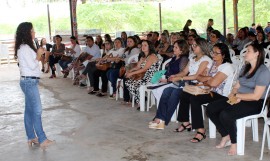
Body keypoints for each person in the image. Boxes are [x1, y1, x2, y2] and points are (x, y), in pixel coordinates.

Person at [206, 43, 270, 155]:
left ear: (257, 54)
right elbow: (237, 85)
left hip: (255, 103)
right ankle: (226, 135)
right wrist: (232, 94)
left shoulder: (263, 71)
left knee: (226, 114)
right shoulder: (246, 67)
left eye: (248, 51)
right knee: (211, 108)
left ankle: (234, 144)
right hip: (239, 97)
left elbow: (256, 96)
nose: (245, 53)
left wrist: (238, 96)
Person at [176, 43, 234, 143]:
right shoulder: (213, 64)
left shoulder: (227, 67)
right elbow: (198, 76)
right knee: (184, 94)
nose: (213, 55)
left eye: (216, 53)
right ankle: (185, 122)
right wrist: (209, 80)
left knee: (195, 99)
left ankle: (201, 130)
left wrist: (208, 80)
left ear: (223, 55)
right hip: (209, 91)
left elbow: (214, 83)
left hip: (222, 96)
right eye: (213, 52)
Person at [149, 38, 212, 129]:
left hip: (199, 85)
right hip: (189, 83)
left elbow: (196, 76)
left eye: (195, 45)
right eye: (192, 45)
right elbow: (184, 71)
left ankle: (162, 121)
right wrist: (175, 76)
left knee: (175, 93)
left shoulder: (205, 59)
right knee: (166, 90)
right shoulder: (193, 58)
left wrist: (180, 78)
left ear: (202, 47)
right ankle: (159, 118)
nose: (192, 47)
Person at [14, 22, 54, 148]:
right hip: (29, 81)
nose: (34, 32)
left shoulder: (25, 47)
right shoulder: (25, 47)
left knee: (29, 111)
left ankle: (31, 137)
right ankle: (42, 139)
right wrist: (38, 55)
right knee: (37, 110)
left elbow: (34, 64)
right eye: (32, 30)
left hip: (29, 81)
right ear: (27, 32)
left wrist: (40, 55)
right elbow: (32, 65)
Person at [125, 40, 163, 109]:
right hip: (143, 75)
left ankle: (140, 102)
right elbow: (138, 67)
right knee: (128, 82)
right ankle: (141, 100)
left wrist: (131, 73)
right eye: (142, 45)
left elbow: (144, 69)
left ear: (150, 47)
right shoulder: (143, 57)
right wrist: (129, 71)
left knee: (133, 83)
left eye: (145, 45)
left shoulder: (152, 56)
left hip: (150, 77)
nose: (143, 47)